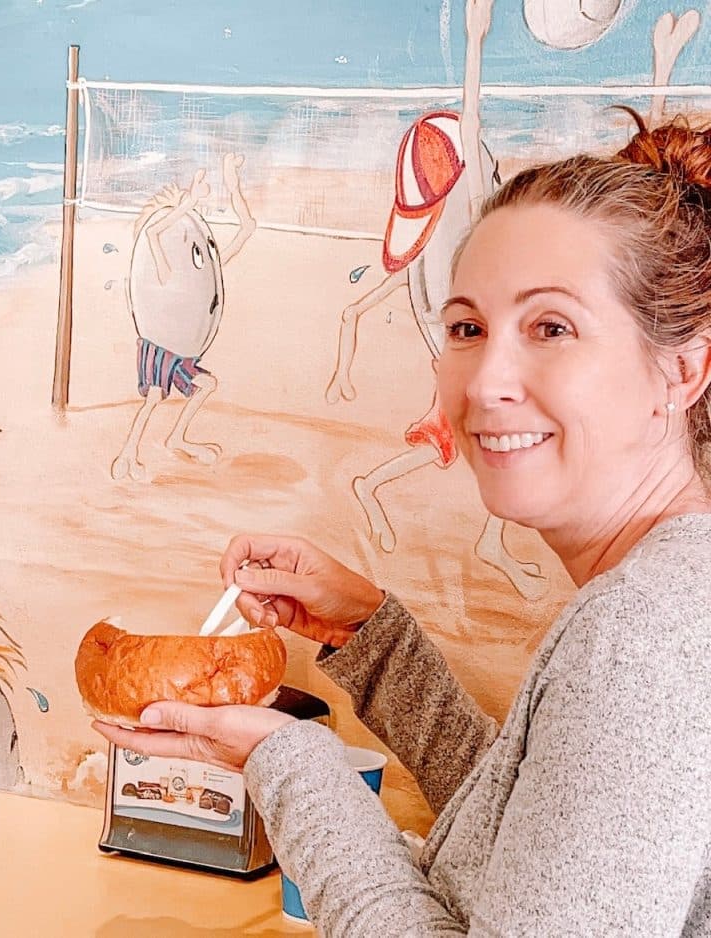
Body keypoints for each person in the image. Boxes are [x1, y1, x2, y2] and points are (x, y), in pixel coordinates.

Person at [93, 110, 711, 935]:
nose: (488, 379)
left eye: (551, 328)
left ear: (683, 369)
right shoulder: (674, 597)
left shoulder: (645, 634)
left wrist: (285, 760)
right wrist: (374, 639)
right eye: (466, 328)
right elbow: (537, 843)